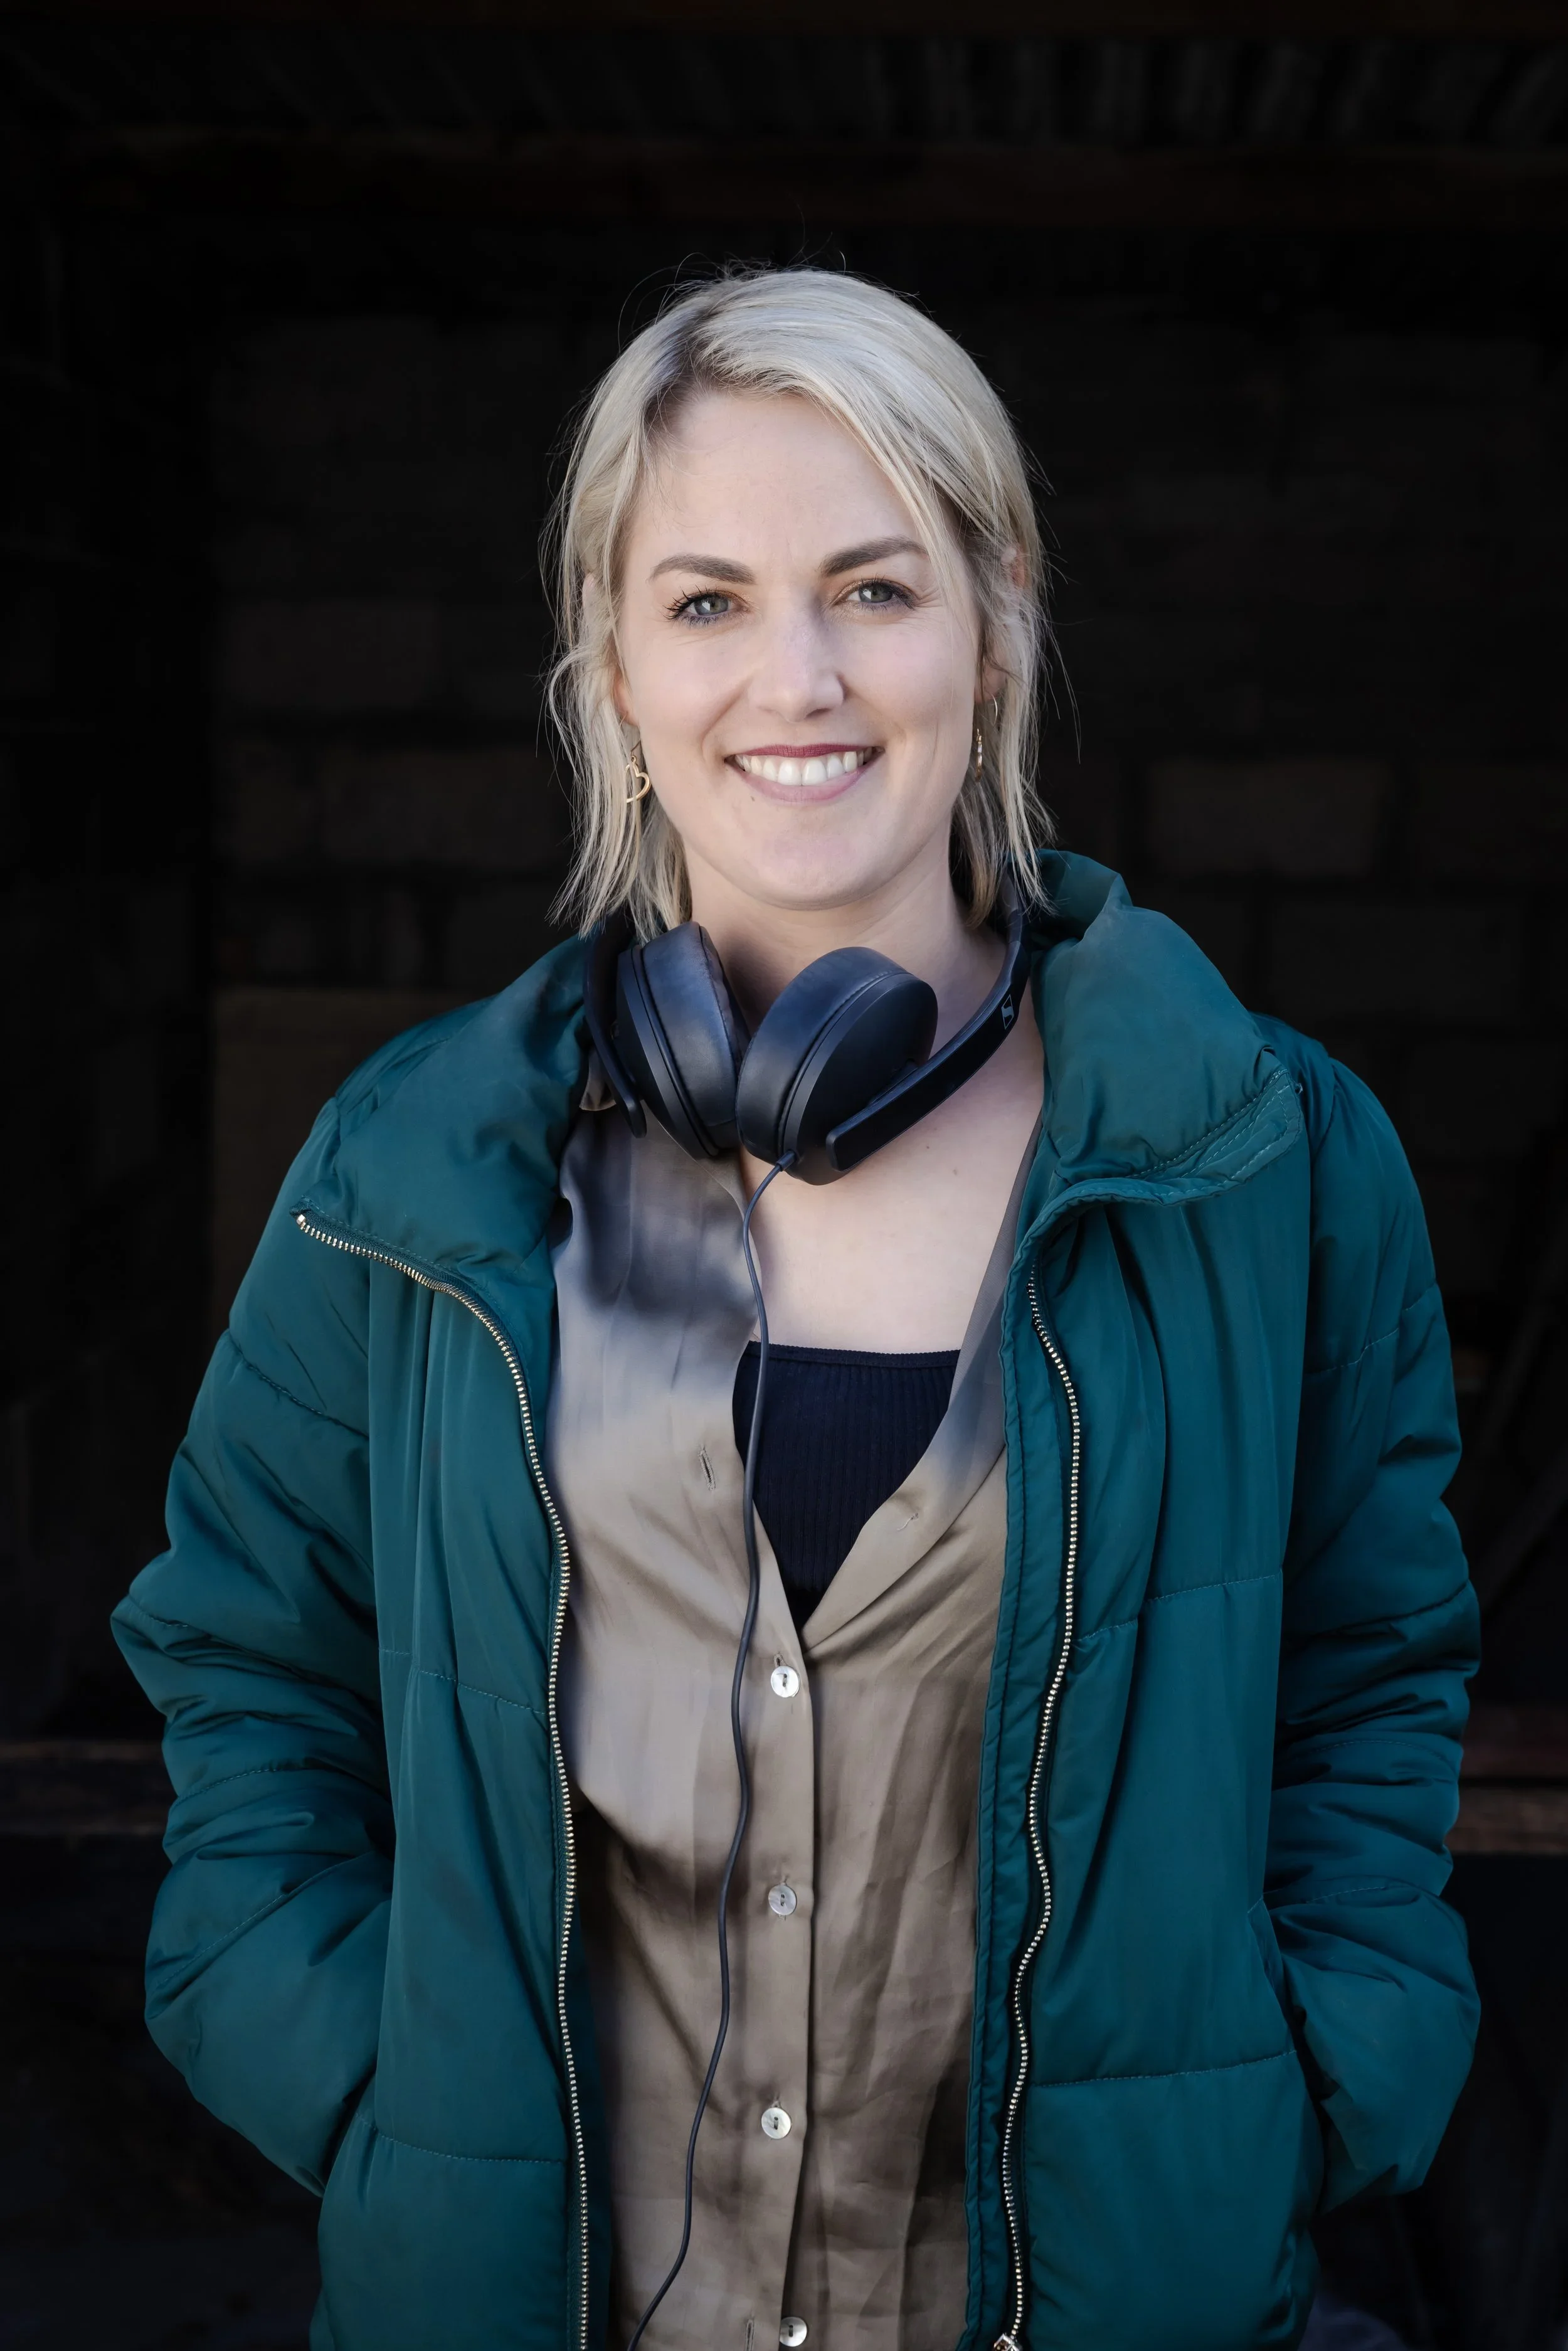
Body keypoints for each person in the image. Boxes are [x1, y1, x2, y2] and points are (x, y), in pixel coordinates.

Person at [114, 268, 1479, 2351]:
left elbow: (1370, 1675)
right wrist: (387, 2100)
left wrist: (1296, 2095)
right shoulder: (409, 1177)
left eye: (872, 584)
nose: (800, 678)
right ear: (609, 659)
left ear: (995, 619)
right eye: (708, 601)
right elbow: (242, 1664)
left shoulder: (1270, 1163)